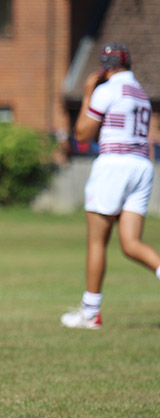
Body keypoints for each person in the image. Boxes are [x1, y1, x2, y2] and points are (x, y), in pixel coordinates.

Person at [61, 43, 159, 329]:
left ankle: (90, 313)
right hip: (142, 166)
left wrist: (89, 93)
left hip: (115, 164)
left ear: (105, 67)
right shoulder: (140, 93)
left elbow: (81, 134)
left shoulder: (107, 91)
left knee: (97, 241)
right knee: (131, 244)